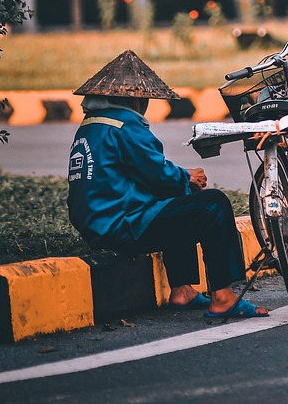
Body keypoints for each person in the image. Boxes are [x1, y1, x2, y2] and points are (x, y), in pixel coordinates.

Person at [66, 49, 268, 319]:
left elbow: (145, 172)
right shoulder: (125, 125)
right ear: (135, 100)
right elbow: (158, 174)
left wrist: (182, 181)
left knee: (178, 202)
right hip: (122, 226)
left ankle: (182, 289)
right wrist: (188, 177)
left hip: (97, 226)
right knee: (213, 205)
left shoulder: (90, 126)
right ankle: (222, 296)